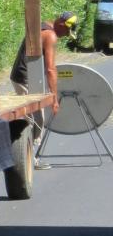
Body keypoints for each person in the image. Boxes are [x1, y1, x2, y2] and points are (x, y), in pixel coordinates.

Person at [9, 12, 77, 165]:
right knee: (36, 120)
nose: (65, 36)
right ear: (61, 24)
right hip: (25, 78)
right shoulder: (50, 35)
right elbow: (51, 69)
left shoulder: (43, 25)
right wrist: (54, 98)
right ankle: (26, 159)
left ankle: (26, 156)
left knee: (34, 118)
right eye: (66, 32)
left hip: (22, 76)